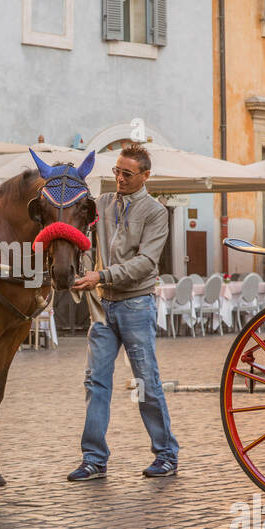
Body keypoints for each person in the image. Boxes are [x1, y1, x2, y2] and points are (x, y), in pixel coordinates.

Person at [68, 144, 179, 481]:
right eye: (116, 171)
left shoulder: (156, 212)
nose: (119, 178)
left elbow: (146, 262)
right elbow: (75, 223)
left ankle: (166, 454)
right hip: (102, 306)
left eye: (127, 174)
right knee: (95, 381)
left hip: (135, 304)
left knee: (145, 382)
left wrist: (101, 276)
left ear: (145, 175)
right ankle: (94, 459)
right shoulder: (101, 205)